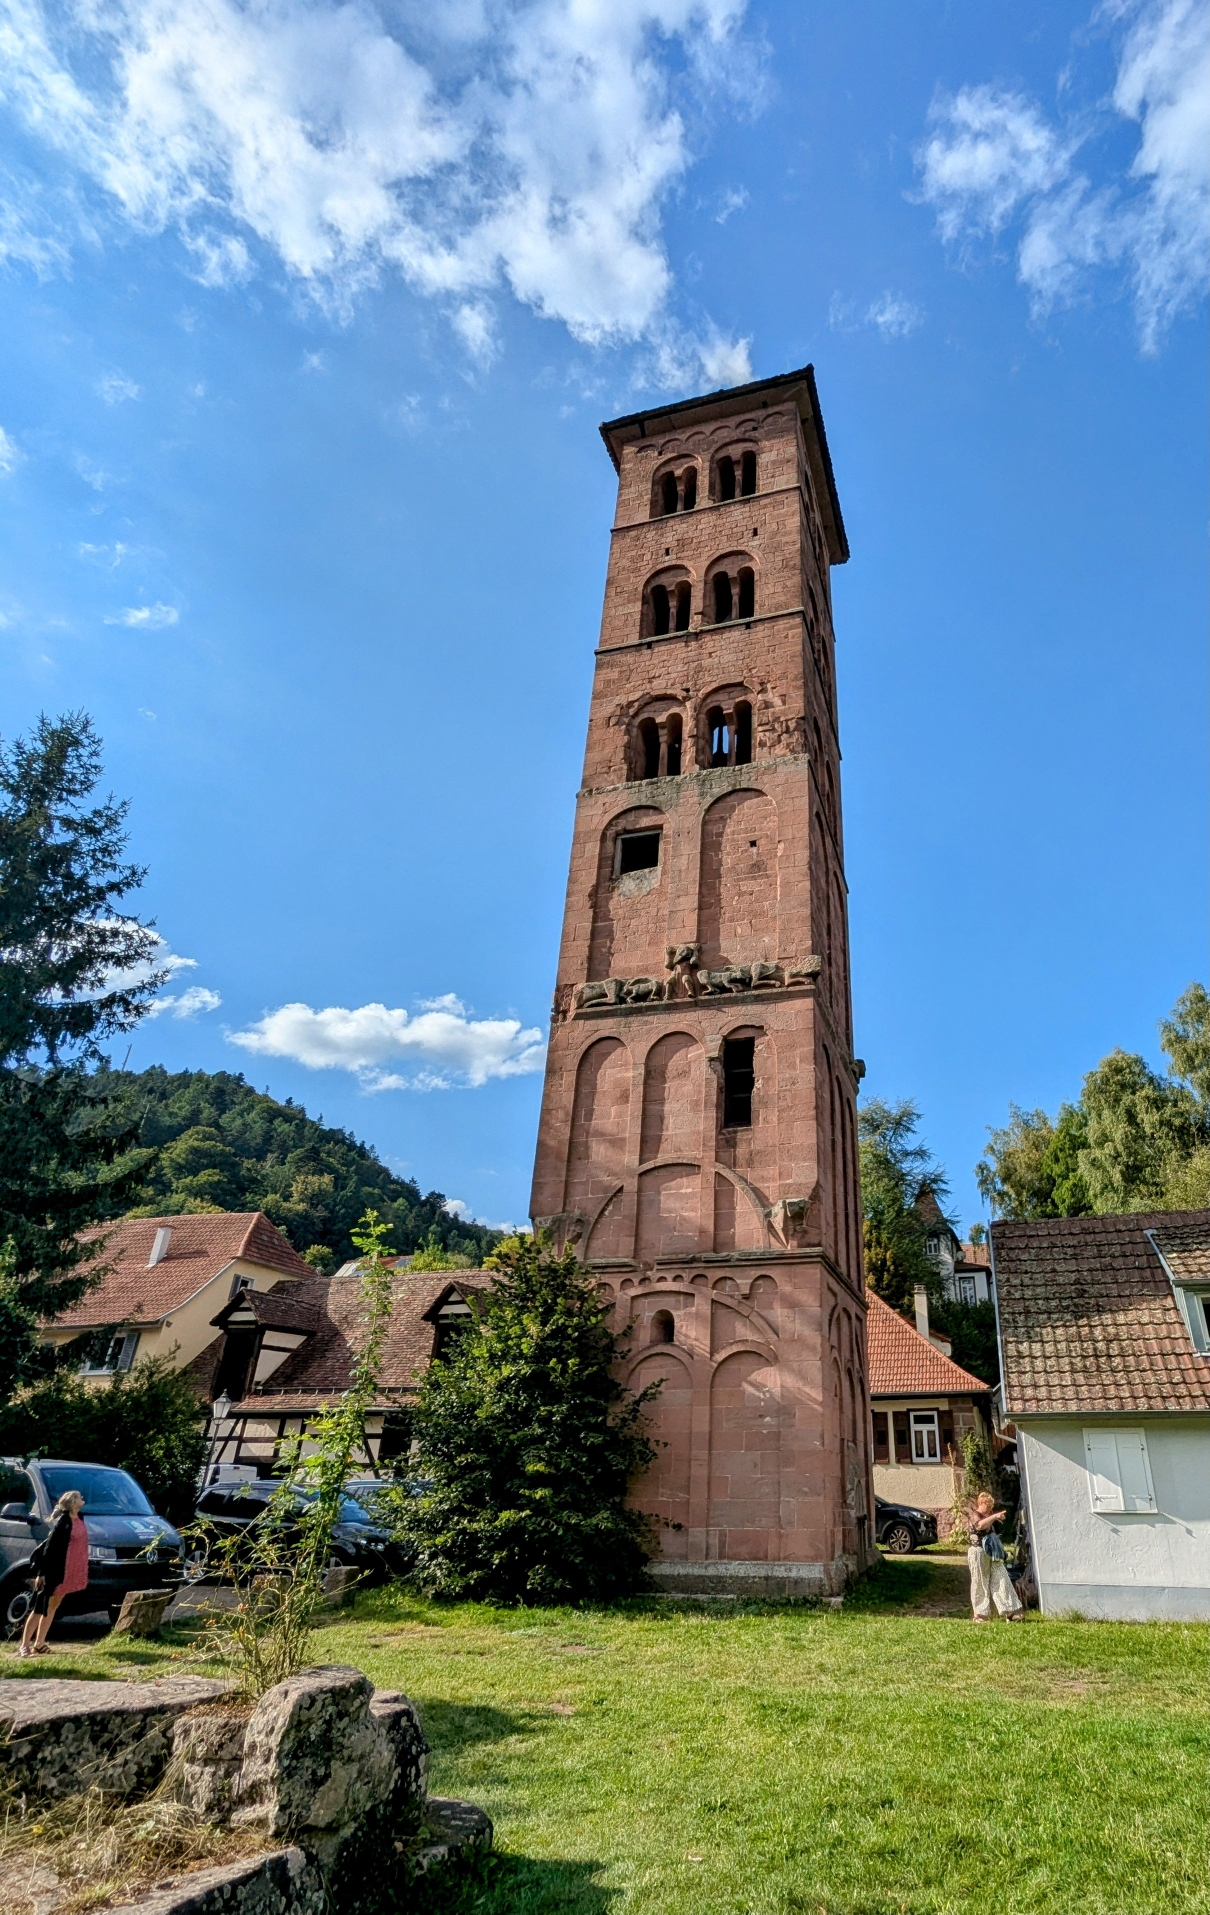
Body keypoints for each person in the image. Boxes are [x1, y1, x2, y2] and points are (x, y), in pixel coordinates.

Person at [19, 1489, 89, 1657]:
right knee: (39, 1608)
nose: (82, 1498)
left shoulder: (80, 1517)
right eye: (79, 1497)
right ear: (73, 1503)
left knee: (53, 1605)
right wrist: (41, 1573)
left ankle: (40, 1643)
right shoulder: (63, 1523)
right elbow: (49, 1549)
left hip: (69, 1571)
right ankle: (24, 1646)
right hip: (54, 1571)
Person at [965, 1489, 1023, 1623]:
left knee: (1002, 1578)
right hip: (978, 1552)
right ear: (981, 1503)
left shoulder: (988, 1516)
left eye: (991, 1506)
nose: (990, 1508)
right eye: (988, 1505)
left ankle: (1010, 1613)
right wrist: (994, 1516)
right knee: (980, 1581)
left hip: (992, 1553)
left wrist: (996, 1517)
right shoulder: (975, 1515)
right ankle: (979, 1615)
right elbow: (979, 1525)